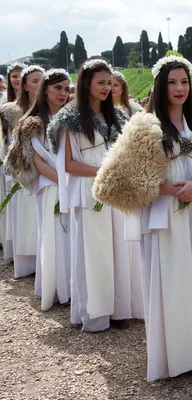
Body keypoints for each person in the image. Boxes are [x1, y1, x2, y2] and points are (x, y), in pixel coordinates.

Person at [93, 56, 192, 382]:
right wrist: (164, 187)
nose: (180, 88)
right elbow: (114, 181)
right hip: (162, 216)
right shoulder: (143, 126)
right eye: (172, 82)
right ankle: (170, 357)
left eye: (184, 82)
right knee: (168, 280)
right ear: (160, 85)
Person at [47, 59, 143, 332]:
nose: (106, 88)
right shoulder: (69, 118)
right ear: (86, 83)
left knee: (121, 248)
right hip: (89, 192)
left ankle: (120, 308)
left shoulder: (120, 117)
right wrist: (103, 172)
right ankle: (96, 311)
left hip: (118, 191)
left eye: (110, 83)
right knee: (94, 251)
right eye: (100, 82)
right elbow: (66, 163)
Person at [3, 69, 71, 311]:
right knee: (53, 235)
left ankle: (72, 286)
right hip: (51, 186)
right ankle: (55, 285)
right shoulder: (32, 123)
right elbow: (38, 162)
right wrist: (63, 182)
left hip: (72, 185)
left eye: (66, 88)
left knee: (72, 236)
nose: (62, 93)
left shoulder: (72, 119)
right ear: (45, 90)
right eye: (57, 88)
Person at [0, 65, 45, 277]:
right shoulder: (12, 111)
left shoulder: (49, 109)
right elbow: (9, 144)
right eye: (35, 81)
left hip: (45, 169)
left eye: (42, 80)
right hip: (25, 168)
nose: (40, 85)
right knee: (26, 215)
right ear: (25, 86)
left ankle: (44, 259)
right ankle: (27, 262)